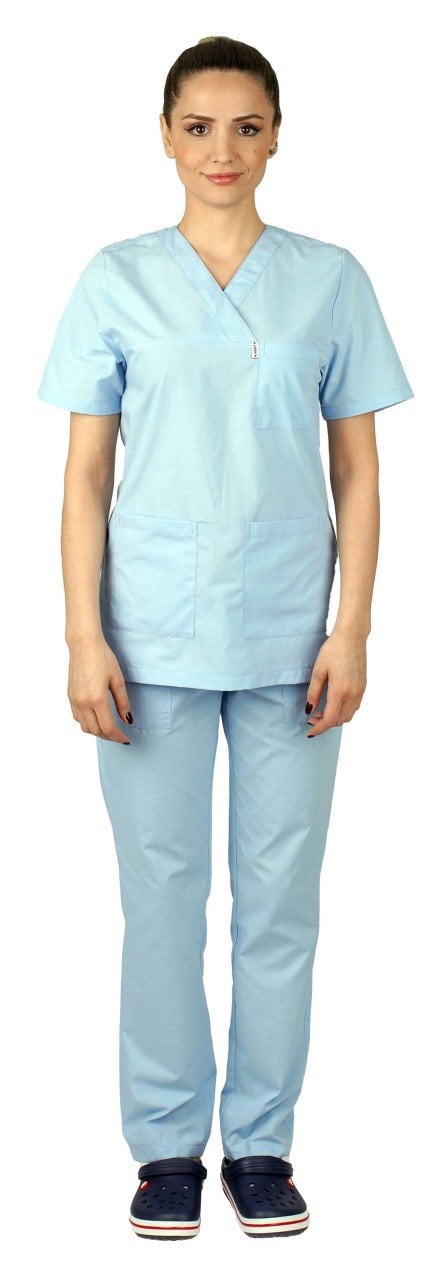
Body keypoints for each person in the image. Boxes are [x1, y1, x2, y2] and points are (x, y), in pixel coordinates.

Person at [37, 35, 414, 1241]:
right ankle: (164, 1148)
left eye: (247, 126)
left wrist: (353, 627)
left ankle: (260, 1141)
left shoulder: (329, 279)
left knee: (279, 899)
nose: (222, 150)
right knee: (161, 896)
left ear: (277, 135)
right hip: (147, 637)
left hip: (292, 636)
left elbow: (359, 470)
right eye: (198, 126)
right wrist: (82, 634)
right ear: (164, 135)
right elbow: (84, 473)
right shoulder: (117, 278)